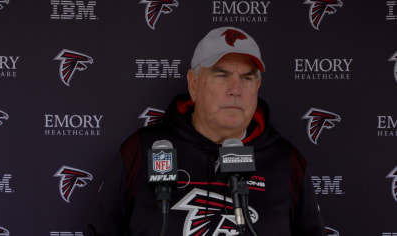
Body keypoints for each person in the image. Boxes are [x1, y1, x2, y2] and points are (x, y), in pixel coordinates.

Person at [87, 26, 327, 236]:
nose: (235, 89)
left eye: (246, 78)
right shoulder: (141, 151)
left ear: (257, 87)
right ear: (194, 85)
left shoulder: (287, 161)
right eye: (222, 75)